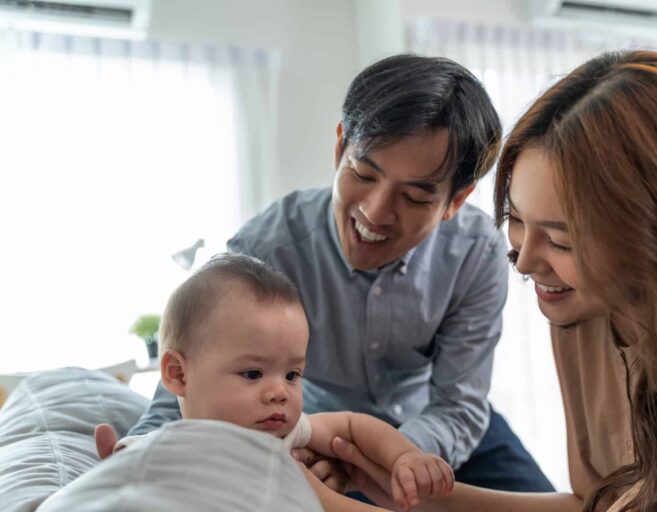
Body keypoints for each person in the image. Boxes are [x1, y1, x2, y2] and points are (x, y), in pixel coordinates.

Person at [325, 50, 657, 511]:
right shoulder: (588, 304)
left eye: (561, 241)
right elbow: (592, 504)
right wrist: (406, 493)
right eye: (515, 219)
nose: (523, 261)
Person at [97, 54, 553, 494]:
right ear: (339, 149)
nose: (376, 213)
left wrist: (383, 458)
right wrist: (136, 451)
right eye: (363, 173)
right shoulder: (266, 248)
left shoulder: (476, 254)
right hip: (317, 438)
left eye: (414, 197)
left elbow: (457, 405)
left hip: (437, 426)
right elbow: (188, 373)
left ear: (456, 200)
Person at [120, 253, 455, 511]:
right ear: (178, 374)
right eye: (252, 374)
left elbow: (352, 426)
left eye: (293, 375)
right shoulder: (165, 449)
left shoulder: (285, 435)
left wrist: (404, 457)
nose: (280, 392)